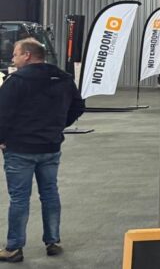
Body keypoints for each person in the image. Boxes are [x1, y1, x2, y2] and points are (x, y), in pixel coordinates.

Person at [0, 39, 84, 262]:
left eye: (16, 54)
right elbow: (78, 106)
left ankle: (14, 247)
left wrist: (2, 140)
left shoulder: (16, 81)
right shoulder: (64, 78)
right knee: (49, 193)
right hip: (51, 146)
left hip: (20, 149)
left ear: (27, 55)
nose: (13, 59)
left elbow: (2, 114)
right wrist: (57, 126)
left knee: (19, 198)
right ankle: (53, 240)